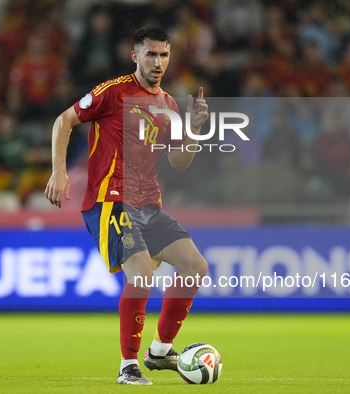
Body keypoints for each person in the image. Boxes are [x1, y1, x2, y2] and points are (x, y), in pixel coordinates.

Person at [45, 26, 209, 385]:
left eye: (164, 55)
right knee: (142, 274)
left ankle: (161, 352)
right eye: (150, 54)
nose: (158, 62)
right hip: (109, 201)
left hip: (148, 204)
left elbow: (180, 161)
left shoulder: (167, 104)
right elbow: (64, 120)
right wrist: (59, 172)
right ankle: (128, 366)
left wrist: (195, 128)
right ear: (135, 56)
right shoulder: (113, 92)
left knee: (196, 267)